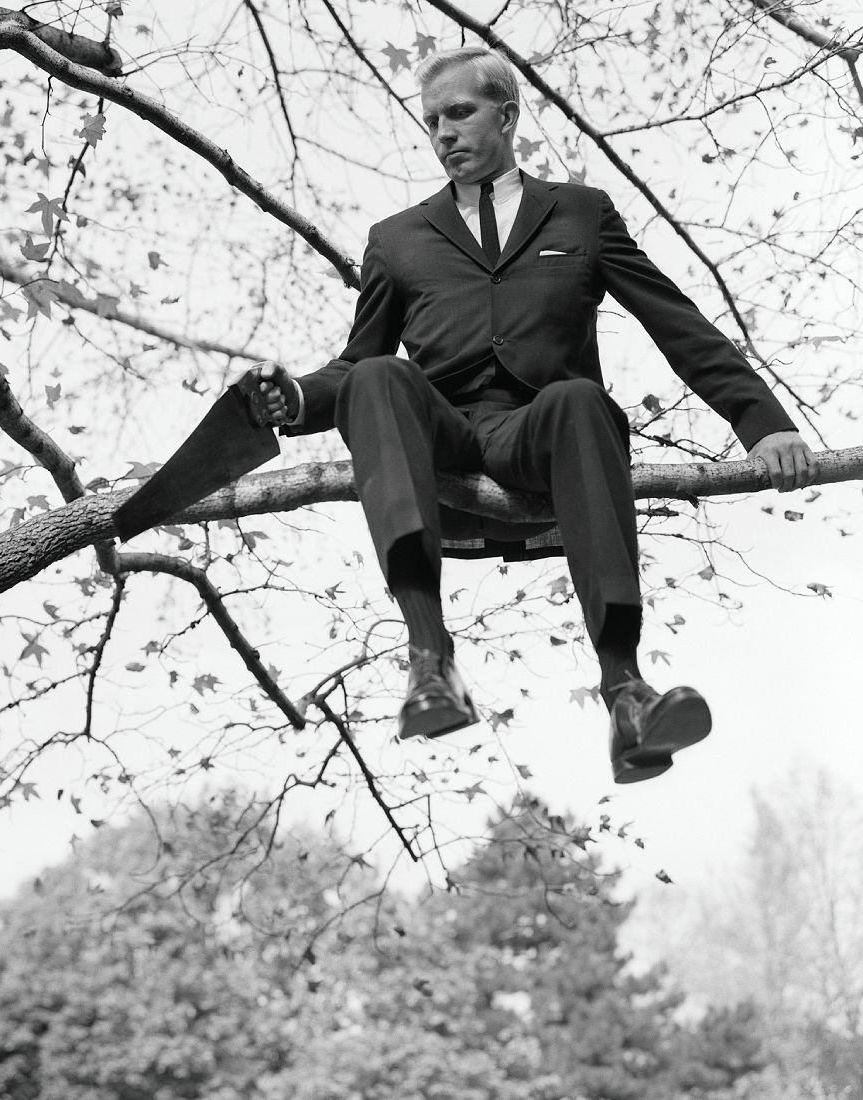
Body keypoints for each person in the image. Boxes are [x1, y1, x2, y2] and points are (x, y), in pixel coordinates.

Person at [251, 46, 817, 783]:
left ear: (508, 114)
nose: (443, 133)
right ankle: (430, 664)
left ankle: (627, 694)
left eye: (459, 112)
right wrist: (293, 400)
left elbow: (675, 322)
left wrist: (763, 423)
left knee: (580, 398)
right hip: (444, 444)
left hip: (548, 446)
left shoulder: (581, 214)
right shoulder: (396, 240)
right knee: (385, 376)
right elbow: (357, 367)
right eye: (431, 123)